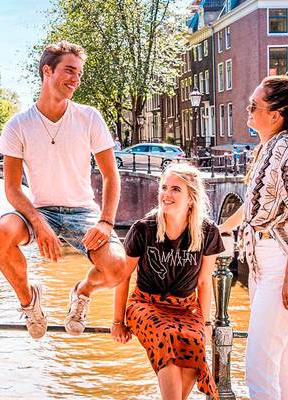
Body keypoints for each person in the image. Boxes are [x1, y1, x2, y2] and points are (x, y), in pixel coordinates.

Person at [0, 40, 127, 339]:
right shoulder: (18, 125)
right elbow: (12, 188)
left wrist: (105, 221)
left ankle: (82, 292)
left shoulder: (89, 117)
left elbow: (110, 175)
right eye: (69, 71)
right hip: (40, 211)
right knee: (0, 232)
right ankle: (29, 301)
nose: (75, 79)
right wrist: (38, 222)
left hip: (83, 211)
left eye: (79, 73)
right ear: (47, 71)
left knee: (117, 268)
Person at [219, 69, 288, 400]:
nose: (248, 111)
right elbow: (252, 205)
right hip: (263, 265)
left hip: (280, 266)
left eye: (253, 106)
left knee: (259, 367)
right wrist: (222, 229)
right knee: (278, 367)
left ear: (275, 115)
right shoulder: (270, 148)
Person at [111, 163, 223, 400]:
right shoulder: (144, 228)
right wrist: (117, 321)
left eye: (175, 189)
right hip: (145, 304)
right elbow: (123, 276)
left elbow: (204, 283)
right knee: (167, 338)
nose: (166, 194)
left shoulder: (207, 232)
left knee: (194, 344)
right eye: (164, 187)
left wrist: (204, 323)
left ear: (191, 198)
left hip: (184, 307)